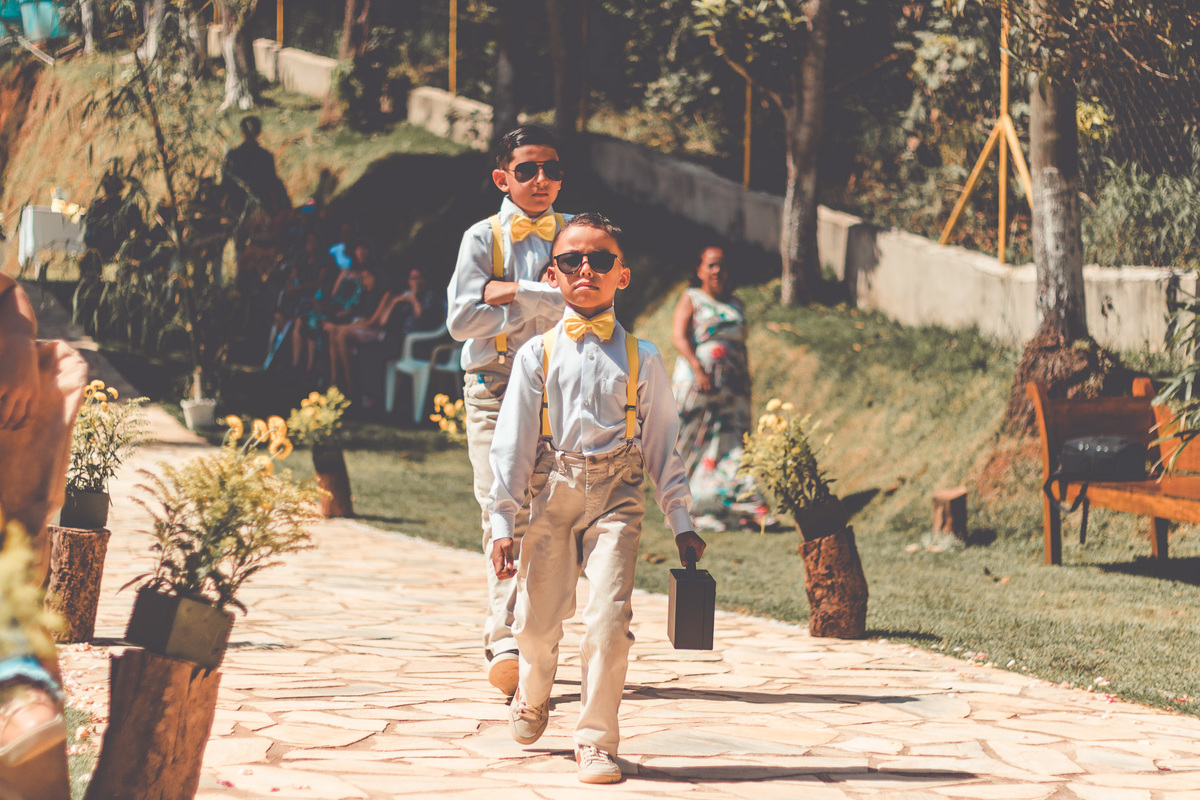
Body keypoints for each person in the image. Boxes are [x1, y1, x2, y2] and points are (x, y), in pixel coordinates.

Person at [488, 213, 706, 784]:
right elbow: (512, 444)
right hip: (553, 493)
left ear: (622, 275)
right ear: (553, 275)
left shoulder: (644, 357)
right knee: (535, 624)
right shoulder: (536, 355)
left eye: (600, 259)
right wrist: (502, 522)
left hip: (618, 498)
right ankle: (534, 689)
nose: (585, 268)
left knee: (609, 620)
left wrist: (680, 519)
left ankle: (595, 740)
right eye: (571, 260)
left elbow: (663, 446)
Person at [445, 125, 570, 698]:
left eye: (551, 170)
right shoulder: (481, 237)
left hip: (558, 391)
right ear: (502, 178)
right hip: (494, 386)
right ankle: (505, 642)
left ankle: (535, 632)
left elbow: (590, 308)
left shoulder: (575, 236)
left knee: (551, 516)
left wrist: (507, 291)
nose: (541, 180)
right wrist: (534, 295)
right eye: (527, 170)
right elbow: (460, 321)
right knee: (503, 509)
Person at [671, 245, 771, 531]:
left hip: (734, 388)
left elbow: (740, 342)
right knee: (697, 442)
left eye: (722, 265)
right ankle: (688, 504)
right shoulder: (692, 297)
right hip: (701, 384)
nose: (718, 271)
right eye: (711, 265)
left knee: (734, 443)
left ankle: (743, 504)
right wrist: (698, 369)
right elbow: (679, 337)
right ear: (700, 270)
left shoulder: (736, 303)